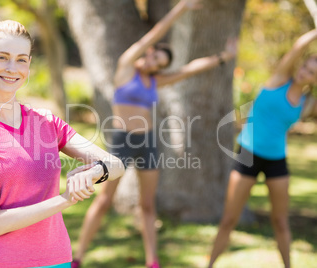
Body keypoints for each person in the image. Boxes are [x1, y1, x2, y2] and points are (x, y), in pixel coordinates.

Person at [71, 1, 238, 267]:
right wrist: (181, 9)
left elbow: (189, 69)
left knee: (148, 205)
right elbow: (155, 33)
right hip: (122, 141)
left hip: (148, 142)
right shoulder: (126, 66)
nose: (153, 62)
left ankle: (152, 261)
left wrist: (223, 57)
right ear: (148, 52)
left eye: (159, 63)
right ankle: (77, 257)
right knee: (104, 200)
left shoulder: (155, 80)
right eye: (154, 55)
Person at [0, 20, 125, 268]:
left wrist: (92, 173)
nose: (12, 68)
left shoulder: (47, 123)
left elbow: (116, 164)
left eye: (22, 59)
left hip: (57, 260)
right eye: (2, 57)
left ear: (29, 65)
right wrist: (66, 198)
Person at [208, 29, 317, 268]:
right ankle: (209, 265)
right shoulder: (279, 79)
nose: (303, 72)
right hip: (247, 152)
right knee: (228, 219)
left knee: (280, 221)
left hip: (277, 158)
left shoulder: (307, 104)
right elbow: (298, 46)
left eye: (311, 72)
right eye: (305, 66)